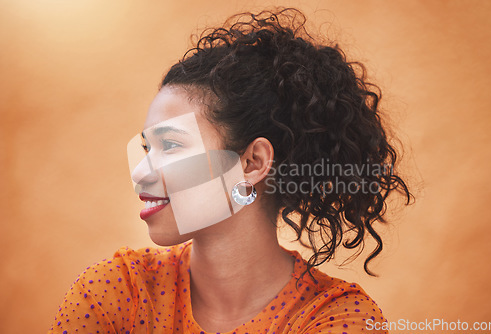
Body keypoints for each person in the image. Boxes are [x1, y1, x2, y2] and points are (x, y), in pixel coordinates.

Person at [48, 7, 411, 334]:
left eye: (170, 146)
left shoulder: (336, 317)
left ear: (252, 163)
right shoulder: (117, 291)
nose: (140, 173)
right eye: (145, 148)